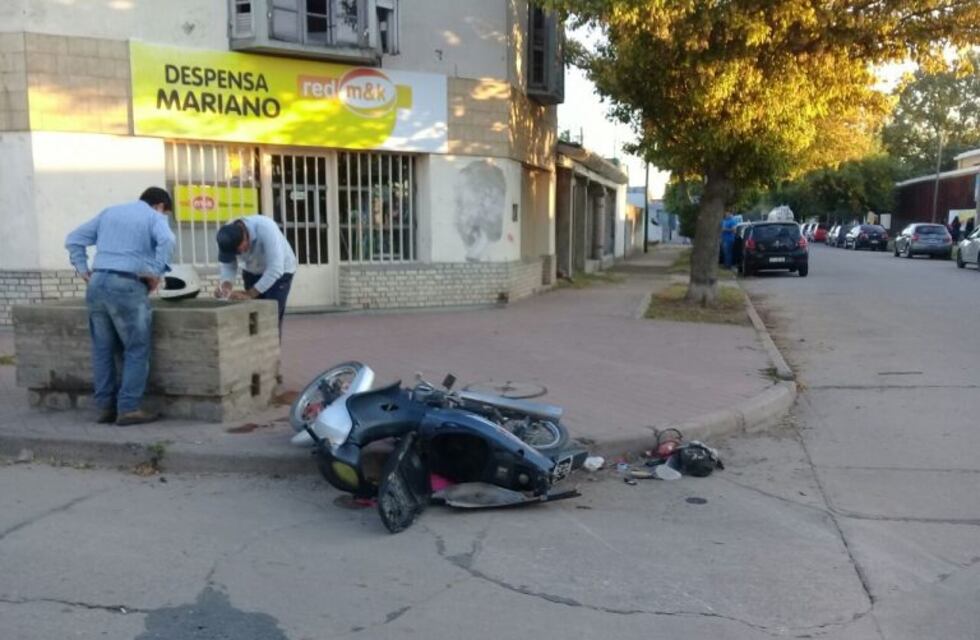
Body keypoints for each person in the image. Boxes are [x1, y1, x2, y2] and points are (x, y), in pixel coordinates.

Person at [64, 187, 175, 426]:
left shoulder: (109, 213)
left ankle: (105, 408)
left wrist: (84, 271)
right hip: (127, 284)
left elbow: (73, 239)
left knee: (102, 350)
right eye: (166, 213)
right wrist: (156, 272)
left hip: (97, 284)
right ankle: (128, 408)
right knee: (136, 348)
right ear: (160, 206)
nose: (164, 217)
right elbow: (167, 240)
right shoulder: (153, 217)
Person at [214, 215, 297, 337]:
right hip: (252, 270)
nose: (239, 254)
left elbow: (275, 269)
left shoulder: (266, 228)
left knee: (269, 320)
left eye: (238, 251)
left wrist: (249, 294)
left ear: (245, 237)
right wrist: (226, 287)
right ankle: (254, 354)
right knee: (252, 320)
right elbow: (228, 265)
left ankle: (271, 355)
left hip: (281, 273)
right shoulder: (227, 234)